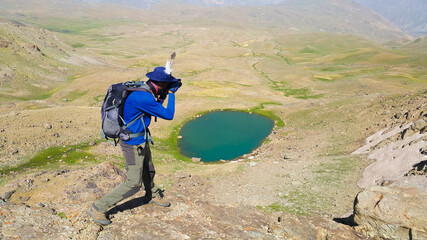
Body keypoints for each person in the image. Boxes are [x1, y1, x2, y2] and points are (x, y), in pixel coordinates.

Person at [87, 66, 182, 226]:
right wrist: (171, 94)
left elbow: (153, 108)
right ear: (160, 83)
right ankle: (98, 207)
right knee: (133, 183)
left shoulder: (145, 90)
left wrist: (164, 93)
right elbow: (168, 114)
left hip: (141, 140)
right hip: (132, 144)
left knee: (148, 170)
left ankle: (152, 194)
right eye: (167, 84)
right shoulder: (142, 97)